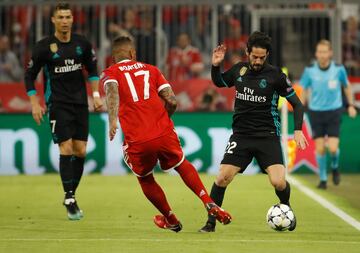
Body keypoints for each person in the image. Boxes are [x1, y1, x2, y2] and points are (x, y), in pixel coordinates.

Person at [102, 36, 232, 232]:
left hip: (138, 138)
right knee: (181, 164)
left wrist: (112, 119)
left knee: (145, 177)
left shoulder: (110, 72)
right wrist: (163, 120)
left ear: (114, 58)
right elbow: (172, 100)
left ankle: (171, 219)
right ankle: (208, 201)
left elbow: (112, 90)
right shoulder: (151, 70)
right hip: (163, 131)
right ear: (133, 54)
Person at [199, 31, 309, 233]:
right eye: (254, 56)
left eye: (262, 57)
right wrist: (215, 65)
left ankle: (287, 209)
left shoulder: (276, 76)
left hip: (267, 136)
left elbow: (297, 105)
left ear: (267, 55)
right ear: (247, 52)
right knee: (223, 177)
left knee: (278, 182)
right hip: (241, 136)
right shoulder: (239, 70)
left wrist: (298, 130)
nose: (257, 61)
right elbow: (219, 82)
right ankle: (210, 223)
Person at [24, 3, 103, 220]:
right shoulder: (43, 47)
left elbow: (93, 70)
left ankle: (71, 195)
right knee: (65, 147)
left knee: (81, 151)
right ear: (53, 20)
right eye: (61, 17)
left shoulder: (82, 44)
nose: (65, 21)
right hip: (57, 103)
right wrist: (34, 103)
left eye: (68, 16)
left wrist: (96, 96)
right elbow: (29, 75)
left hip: (79, 103)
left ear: (72, 19)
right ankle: (69, 197)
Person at [299, 39, 357, 189]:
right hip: (316, 112)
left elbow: (346, 87)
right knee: (319, 148)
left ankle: (335, 167)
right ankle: (323, 179)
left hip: (334, 111)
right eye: (320, 52)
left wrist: (350, 105)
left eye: (325, 52)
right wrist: (299, 108)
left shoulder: (338, 69)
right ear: (316, 54)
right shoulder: (310, 70)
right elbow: (304, 90)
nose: (322, 55)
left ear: (330, 53)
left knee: (332, 148)